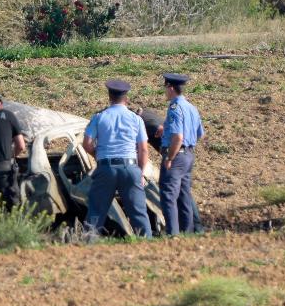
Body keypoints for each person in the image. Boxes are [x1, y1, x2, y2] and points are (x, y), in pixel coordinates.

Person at [82, 79, 152, 238]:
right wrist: (140, 173)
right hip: (130, 167)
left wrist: (97, 155)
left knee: (96, 211)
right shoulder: (136, 119)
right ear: (126, 98)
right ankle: (148, 246)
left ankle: (87, 246)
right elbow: (143, 149)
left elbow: (86, 143)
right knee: (139, 213)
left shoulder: (99, 117)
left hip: (106, 168)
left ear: (109, 96)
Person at [159, 73, 205, 235]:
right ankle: (188, 231)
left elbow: (178, 137)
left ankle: (173, 234)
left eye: (165, 87)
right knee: (184, 194)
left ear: (171, 88)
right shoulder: (192, 107)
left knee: (168, 195)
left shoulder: (174, 108)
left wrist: (170, 157)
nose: (165, 91)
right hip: (188, 154)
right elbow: (199, 133)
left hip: (176, 156)